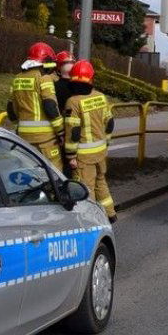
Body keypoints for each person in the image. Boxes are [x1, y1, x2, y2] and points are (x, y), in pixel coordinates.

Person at [63, 60, 117, 223]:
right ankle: (110, 213)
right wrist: (106, 143)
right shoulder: (100, 97)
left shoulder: (73, 102)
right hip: (100, 152)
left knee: (85, 189)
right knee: (101, 183)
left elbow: (73, 132)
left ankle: (92, 221)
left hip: (83, 157)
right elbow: (109, 124)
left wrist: (71, 156)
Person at [7, 42, 64, 171]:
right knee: (54, 176)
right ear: (45, 61)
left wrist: (18, 126)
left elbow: (11, 109)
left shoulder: (17, 79)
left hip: (24, 138)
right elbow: (50, 106)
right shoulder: (43, 78)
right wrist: (61, 131)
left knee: (31, 175)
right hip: (46, 139)